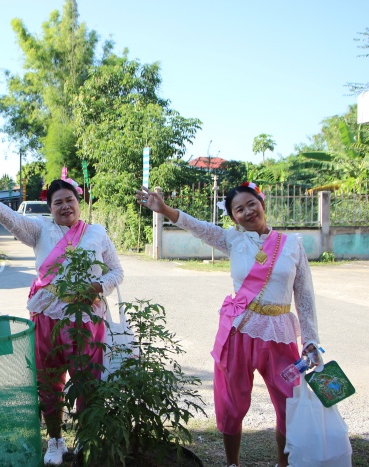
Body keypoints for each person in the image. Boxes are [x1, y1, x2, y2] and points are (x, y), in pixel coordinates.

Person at [136, 182, 320, 467]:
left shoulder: (292, 244)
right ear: (233, 217)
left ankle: (284, 464)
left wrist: (310, 340)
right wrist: (165, 210)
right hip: (239, 332)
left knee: (289, 403)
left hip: (280, 335)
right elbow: (199, 228)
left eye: (251, 204)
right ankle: (232, 463)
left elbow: (305, 295)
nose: (248, 212)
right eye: (239, 209)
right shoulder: (233, 240)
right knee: (232, 403)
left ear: (262, 203)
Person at [0, 178, 124, 466]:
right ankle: (55, 440)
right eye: (58, 202)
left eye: (70, 200)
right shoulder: (40, 230)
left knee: (87, 380)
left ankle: (86, 437)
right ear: (50, 208)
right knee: (48, 380)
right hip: (47, 316)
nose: (65, 206)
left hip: (86, 318)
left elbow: (116, 272)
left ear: (78, 202)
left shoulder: (97, 233)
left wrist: (96, 286)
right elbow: (10, 217)